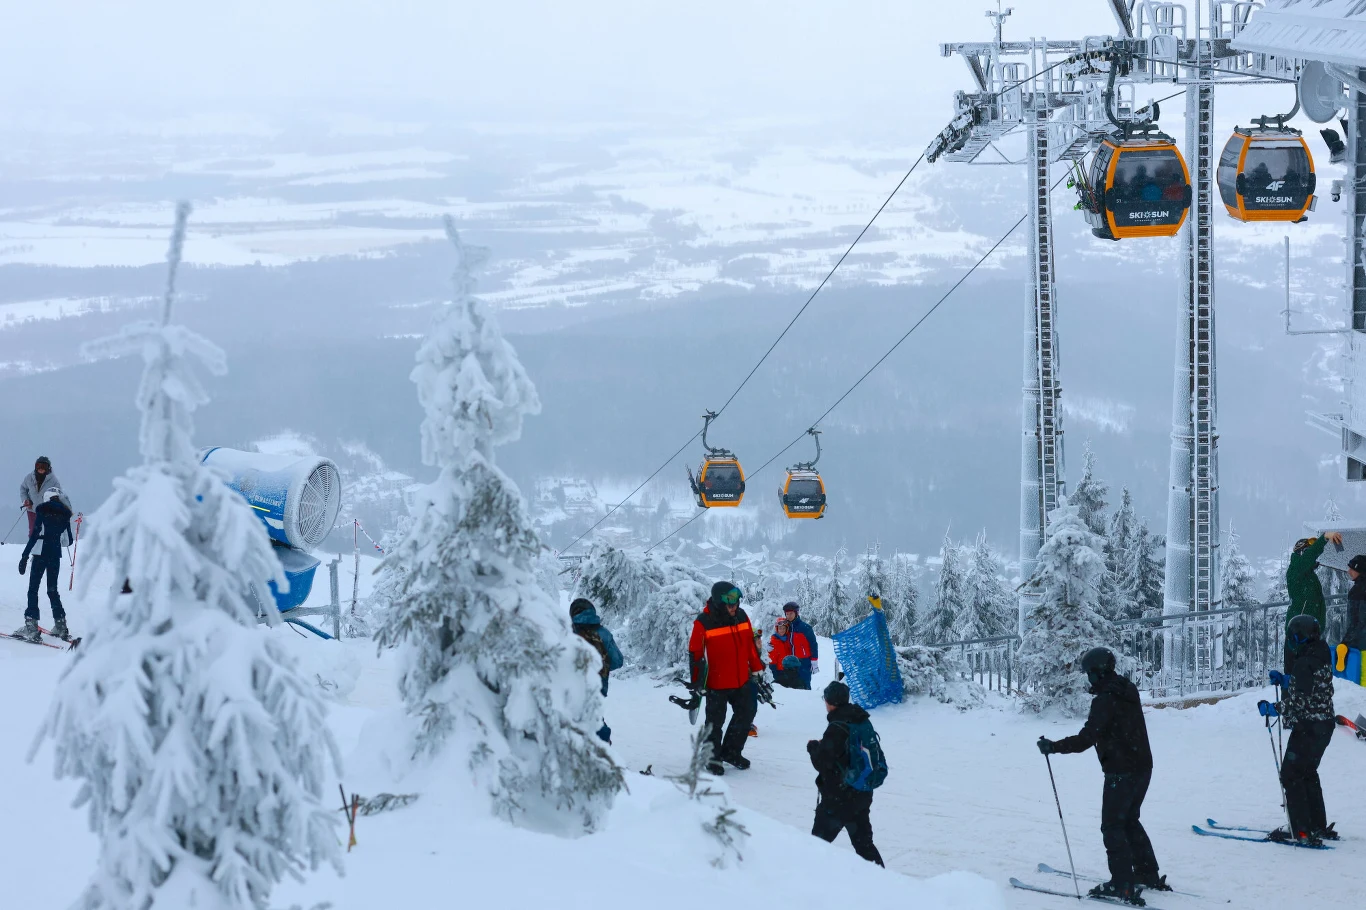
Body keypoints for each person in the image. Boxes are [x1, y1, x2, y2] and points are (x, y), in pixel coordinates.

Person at [1037, 648, 1166, 905]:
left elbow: (1087, 738)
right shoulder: (1127, 690)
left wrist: (1054, 746)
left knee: (1112, 825)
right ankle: (1146, 872)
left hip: (1122, 771)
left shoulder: (1106, 699)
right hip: (1142, 767)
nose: (1088, 680)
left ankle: (1122, 885)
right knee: (1129, 820)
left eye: (1090, 674)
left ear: (1098, 673)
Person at [1264, 614, 1337, 845]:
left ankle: (1301, 830)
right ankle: (1316, 825)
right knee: (1307, 772)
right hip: (1324, 726)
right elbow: (1311, 684)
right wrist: (1287, 680)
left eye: (1293, 637)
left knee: (1291, 774)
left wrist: (1274, 708)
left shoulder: (1305, 662)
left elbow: (1300, 701)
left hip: (1309, 727)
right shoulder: (1320, 652)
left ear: (1300, 636)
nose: (1291, 641)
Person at [688, 581, 763, 775]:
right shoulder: (704, 621)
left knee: (746, 715)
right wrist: (696, 682)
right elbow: (695, 653)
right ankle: (711, 757)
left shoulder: (741, 616)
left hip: (741, 679)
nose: (734, 606)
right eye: (730, 602)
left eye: (737, 601)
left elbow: (749, 646)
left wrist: (756, 668)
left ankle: (731, 752)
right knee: (715, 722)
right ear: (719, 601)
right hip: (716, 682)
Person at [806, 680, 885, 867]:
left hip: (839, 796)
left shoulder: (836, 727)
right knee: (864, 845)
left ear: (830, 702)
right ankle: (884, 882)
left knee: (816, 844)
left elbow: (823, 763)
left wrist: (813, 747)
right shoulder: (861, 720)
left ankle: (806, 880)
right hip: (862, 790)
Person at [13, 487, 73, 643]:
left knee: (33, 589)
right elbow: (68, 541)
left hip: (40, 553)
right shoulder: (65, 514)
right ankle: (61, 625)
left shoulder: (42, 510)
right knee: (52, 590)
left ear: (46, 498)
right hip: (55, 554)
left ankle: (31, 627)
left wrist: (24, 555)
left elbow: (35, 534)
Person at [570, 597, 623, 744]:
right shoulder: (603, 633)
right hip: (598, 687)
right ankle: (603, 751)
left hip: (572, 686)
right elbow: (618, 661)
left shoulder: (568, 632)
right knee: (595, 718)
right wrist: (601, 665)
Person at [1286, 532, 1343, 637]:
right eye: (1308, 551)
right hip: (1299, 631)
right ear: (1301, 553)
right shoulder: (1295, 569)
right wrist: (1324, 538)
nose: (1314, 557)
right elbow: (1307, 558)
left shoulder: (1309, 574)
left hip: (1311, 631)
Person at [18, 456, 70, 537]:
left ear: (48, 467)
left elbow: (58, 494)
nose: (41, 468)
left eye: (44, 466)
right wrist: (25, 500)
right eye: (38, 466)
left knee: (47, 532)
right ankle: (33, 547)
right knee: (33, 531)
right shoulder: (29, 478)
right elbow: (23, 488)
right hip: (32, 509)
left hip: (47, 511)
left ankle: (45, 547)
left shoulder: (53, 481)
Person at [768, 617, 813, 689]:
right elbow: (772, 658)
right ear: (777, 629)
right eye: (780, 628)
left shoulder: (788, 639)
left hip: (790, 670)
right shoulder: (774, 641)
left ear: (786, 629)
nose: (782, 630)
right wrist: (774, 670)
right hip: (779, 671)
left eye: (783, 628)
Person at [783, 601, 819, 677]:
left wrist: (814, 660)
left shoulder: (805, 628)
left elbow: (813, 644)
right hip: (789, 662)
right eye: (787, 614)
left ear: (796, 613)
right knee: (790, 687)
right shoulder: (785, 627)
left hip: (803, 661)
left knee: (804, 685)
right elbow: (779, 639)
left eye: (791, 613)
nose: (789, 616)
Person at [1343, 555, 1366, 651]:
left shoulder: (1358, 591)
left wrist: (1345, 642)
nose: (1349, 571)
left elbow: (1356, 623)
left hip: (1361, 647)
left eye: (1352, 569)